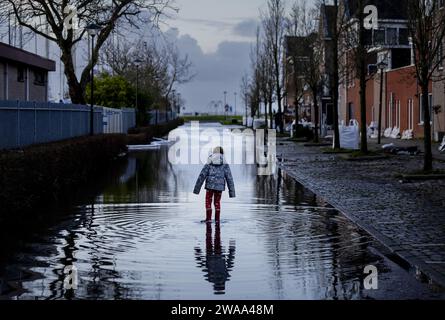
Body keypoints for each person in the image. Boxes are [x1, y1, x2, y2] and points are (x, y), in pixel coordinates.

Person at [193, 147, 236, 223]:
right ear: (222, 153)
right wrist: (232, 193)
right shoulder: (225, 163)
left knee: (208, 202)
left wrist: (197, 190)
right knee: (217, 203)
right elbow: (229, 178)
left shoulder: (209, 162)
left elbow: (202, 175)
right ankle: (217, 220)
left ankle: (208, 219)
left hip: (210, 186)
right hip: (219, 187)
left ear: (213, 153)